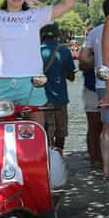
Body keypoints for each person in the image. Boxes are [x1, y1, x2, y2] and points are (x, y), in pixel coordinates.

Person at [79, 0, 109, 173]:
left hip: (101, 83)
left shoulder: (94, 32)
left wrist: (97, 61)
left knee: (106, 126)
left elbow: (82, 59)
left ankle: (105, 166)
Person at [40, 23, 76, 152]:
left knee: (44, 130)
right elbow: (71, 77)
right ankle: (59, 157)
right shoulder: (64, 51)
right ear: (57, 35)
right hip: (60, 99)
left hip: (41, 100)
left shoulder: (36, 52)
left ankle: (47, 157)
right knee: (60, 132)